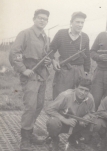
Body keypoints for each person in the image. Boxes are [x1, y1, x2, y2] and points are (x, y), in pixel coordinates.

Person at [9, 9, 51, 151]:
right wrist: (23, 69)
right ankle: (25, 139)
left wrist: (47, 61)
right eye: (39, 18)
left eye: (45, 19)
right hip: (30, 75)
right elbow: (14, 53)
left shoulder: (45, 36)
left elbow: (45, 54)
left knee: (39, 106)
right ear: (34, 19)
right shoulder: (25, 33)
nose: (42, 21)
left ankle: (30, 132)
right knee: (31, 107)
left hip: (42, 76)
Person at [45, 78, 95, 150]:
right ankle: (54, 139)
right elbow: (49, 109)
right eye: (81, 89)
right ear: (75, 87)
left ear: (89, 91)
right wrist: (64, 120)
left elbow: (92, 113)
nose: (83, 93)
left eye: (86, 91)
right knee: (52, 122)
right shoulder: (65, 95)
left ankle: (74, 138)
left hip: (78, 123)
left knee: (94, 122)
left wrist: (86, 118)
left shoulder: (90, 98)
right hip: (62, 122)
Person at [49, 11, 90, 100]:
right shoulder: (61, 34)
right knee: (60, 96)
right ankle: (57, 114)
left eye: (82, 22)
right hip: (64, 70)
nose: (80, 25)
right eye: (77, 22)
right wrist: (53, 60)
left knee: (78, 97)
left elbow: (87, 56)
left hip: (79, 71)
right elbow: (51, 49)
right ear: (71, 23)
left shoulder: (85, 37)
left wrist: (86, 71)